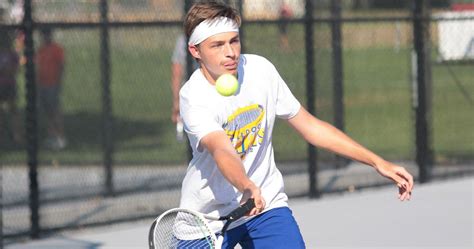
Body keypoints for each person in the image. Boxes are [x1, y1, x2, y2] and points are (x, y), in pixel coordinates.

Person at [178, 1, 414, 248]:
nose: (230, 52)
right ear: (196, 51)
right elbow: (222, 150)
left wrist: (378, 162)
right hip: (206, 220)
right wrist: (246, 185)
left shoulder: (260, 70)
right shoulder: (194, 97)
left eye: (233, 41)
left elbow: (311, 127)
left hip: (265, 206)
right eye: (217, 45)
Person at [36, 27, 66, 150]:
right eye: (43, 35)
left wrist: (58, 82)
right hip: (42, 84)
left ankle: (60, 137)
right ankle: (52, 135)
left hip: (52, 84)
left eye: (47, 35)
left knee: (54, 111)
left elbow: (61, 66)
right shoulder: (41, 50)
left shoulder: (57, 49)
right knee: (48, 112)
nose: (45, 38)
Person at [0, 30, 22, 145]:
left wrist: (7, 70)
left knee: (13, 109)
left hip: (10, 84)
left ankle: (16, 135)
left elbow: (15, 69)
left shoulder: (12, 54)